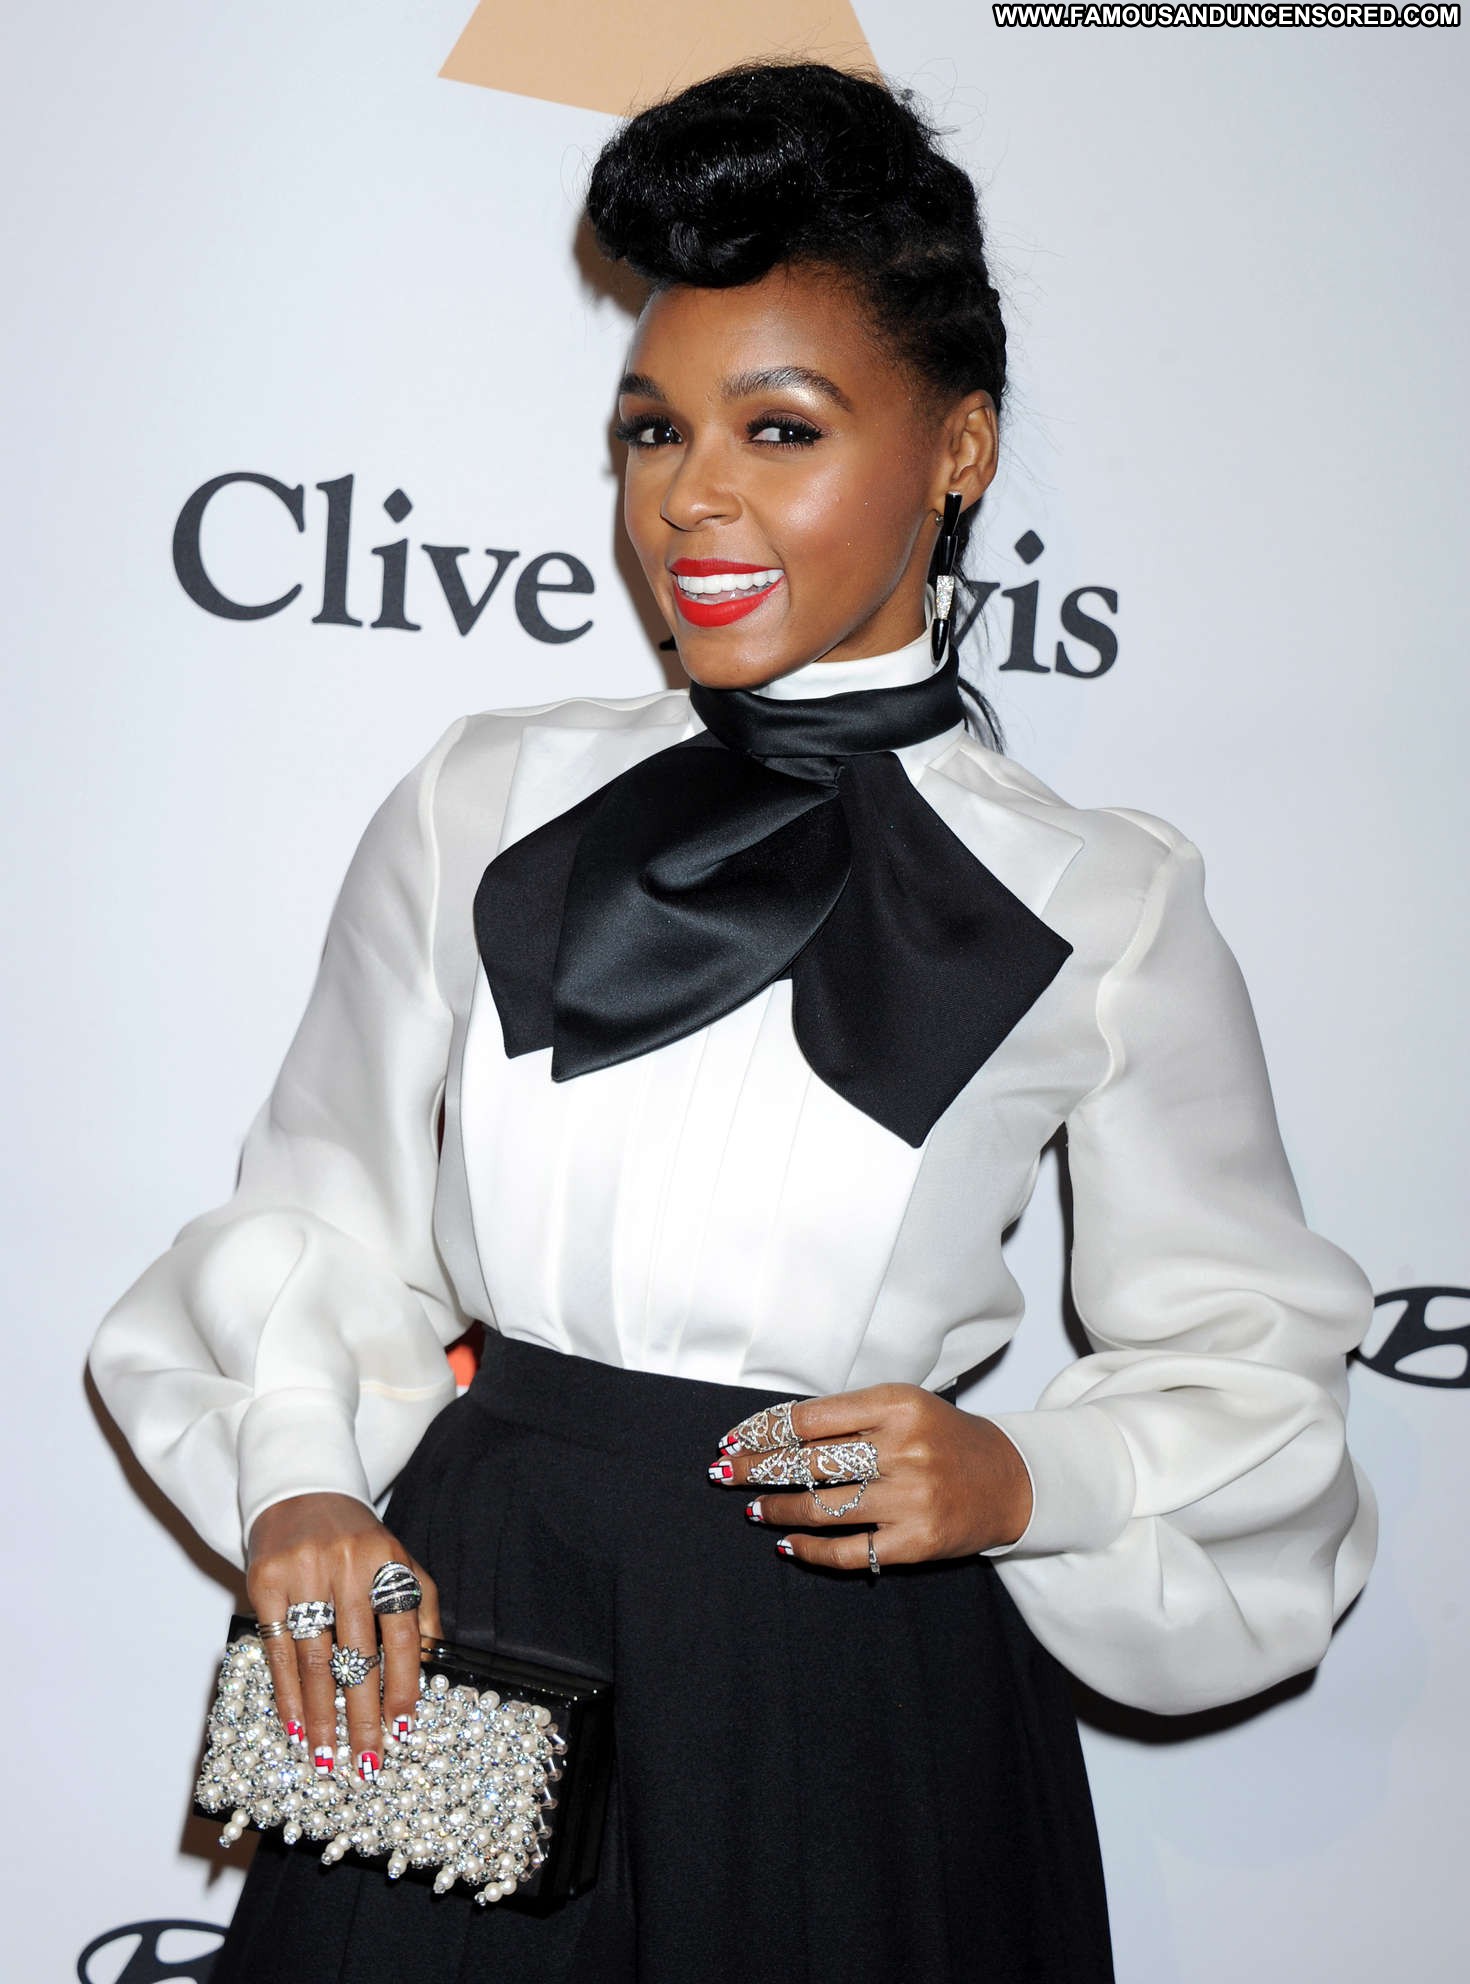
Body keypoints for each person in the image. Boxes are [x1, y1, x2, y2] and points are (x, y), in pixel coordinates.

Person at [88, 57, 1377, 1984]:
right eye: (651, 429)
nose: (689, 495)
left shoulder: (1104, 899)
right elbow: (319, 1210)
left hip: (854, 1670)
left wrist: (1032, 1479)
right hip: (472, 1615)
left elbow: (1245, 1350)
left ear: (958, 451)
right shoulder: (486, 795)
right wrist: (299, 1481)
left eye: (779, 428)